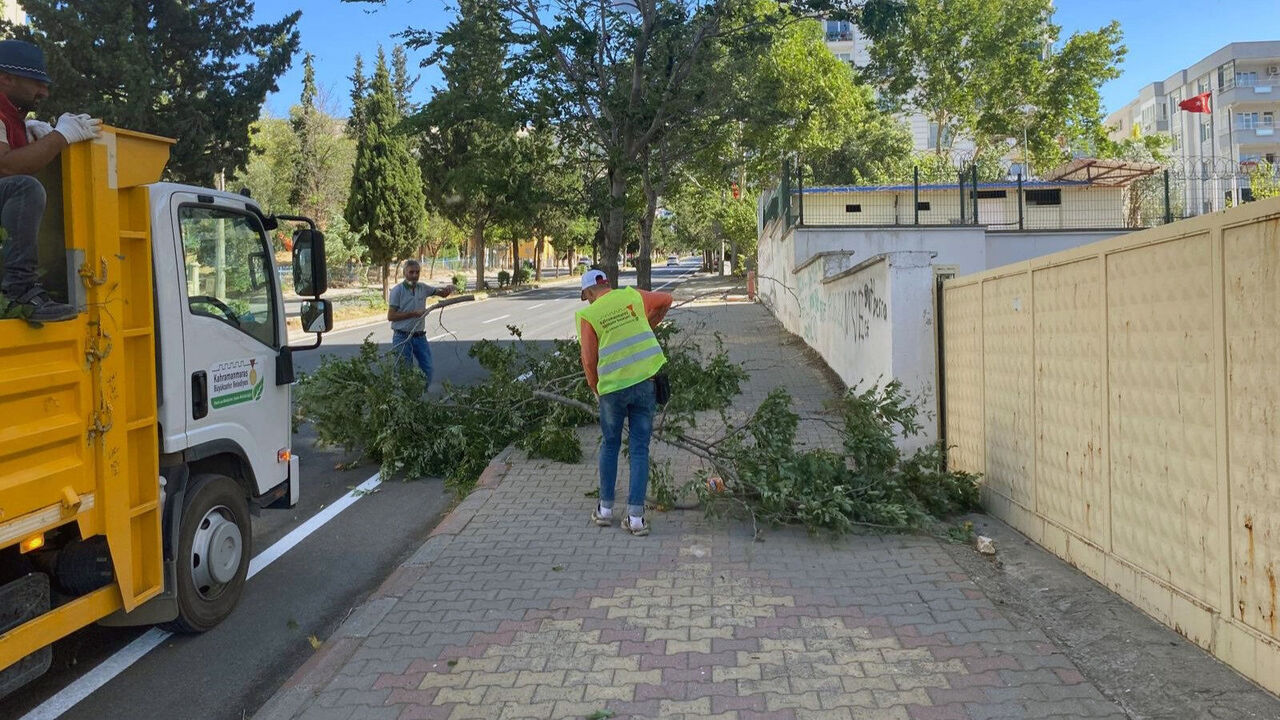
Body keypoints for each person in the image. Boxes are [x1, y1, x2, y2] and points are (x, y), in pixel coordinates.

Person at [0, 39, 104, 323]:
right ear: (6, 78)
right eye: (36, 83)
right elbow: (6, 168)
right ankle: (19, 291)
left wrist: (24, 133)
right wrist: (61, 137)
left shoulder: (10, 116)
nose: (44, 92)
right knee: (25, 187)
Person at [576, 269, 672, 536]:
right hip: (645, 383)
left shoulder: (589, 315)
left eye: (586, 296)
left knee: (610, 444)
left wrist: (596, 388)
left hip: (613, 390)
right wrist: (650, 324)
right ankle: (636, 519)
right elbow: (666, 299)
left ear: (589, 292)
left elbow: (588, 360)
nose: (587, 301)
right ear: (607, 284)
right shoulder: (632, 296)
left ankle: (605, 511)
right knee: (639, 449)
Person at [387, 259, 455, 386]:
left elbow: (440, 293)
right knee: (404, 372)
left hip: (420, 337)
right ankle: (409, 400)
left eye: (417, 272)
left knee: (427, 368)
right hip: (402, 337)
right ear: (404, 273)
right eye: (411, 272)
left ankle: (419, 396)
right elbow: (391, 316)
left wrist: (447, 290)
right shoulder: (397, 291)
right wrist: (413, 313)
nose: (414, 275)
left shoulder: (422, 288)